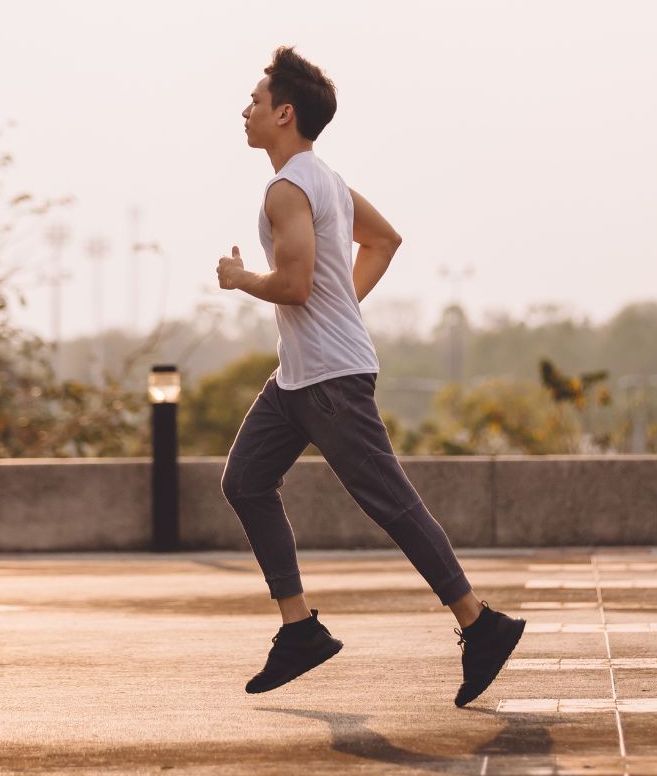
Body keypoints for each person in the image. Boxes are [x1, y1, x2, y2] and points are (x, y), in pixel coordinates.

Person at [216, 46, 524, 707]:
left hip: (330, 380)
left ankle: (481, 623)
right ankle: (299, 628)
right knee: (245, 481)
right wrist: (341, 309)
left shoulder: (289, 188)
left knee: (391, 502)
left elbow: (296, 286)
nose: (245, 109)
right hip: (300, 378)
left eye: (255, 100)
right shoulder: (323, 178)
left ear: (284, 113)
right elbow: (383, 243)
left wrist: (245, 280)